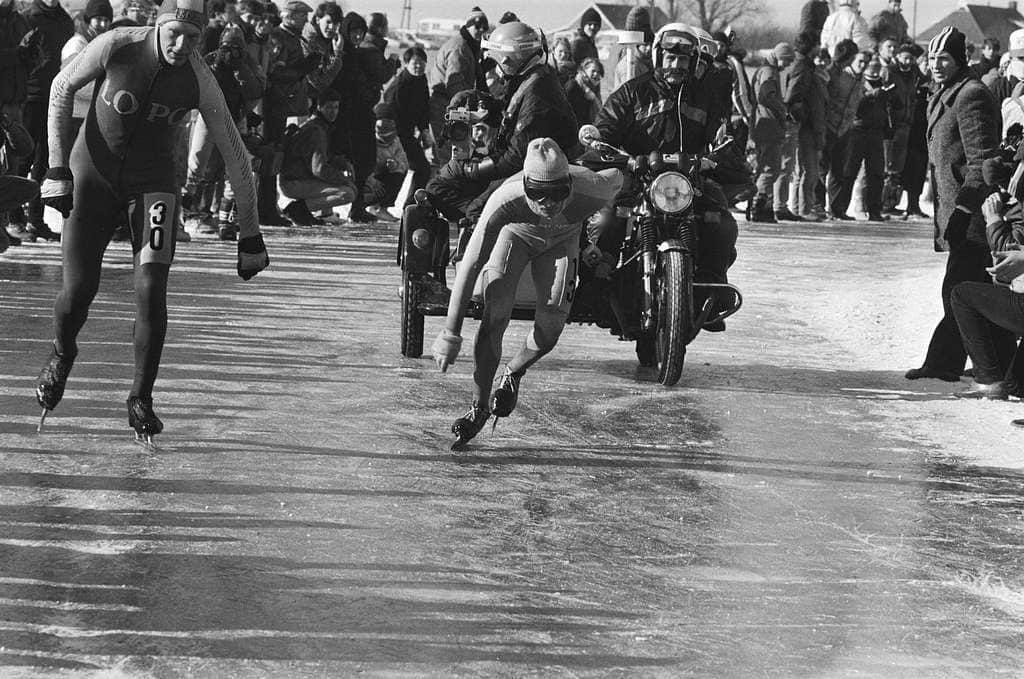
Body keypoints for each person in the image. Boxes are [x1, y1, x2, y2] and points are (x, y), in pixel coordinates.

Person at [35, 0, 270, 442]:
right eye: (174, 34)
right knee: (79, 290)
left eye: (193, 38)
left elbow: (235, 153)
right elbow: (61, 87)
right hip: (94, 177)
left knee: (150, 287)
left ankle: (141, 397)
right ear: (157, 25)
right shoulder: (117, 45)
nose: (182, 45)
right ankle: (63, 352)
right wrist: (56, 167)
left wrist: (250, 232)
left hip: (154, 183)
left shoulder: (200, 78)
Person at [431, 138, 622, 447]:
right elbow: (469, 266)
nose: (547, 204)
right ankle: (479, 407)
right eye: (538, 194)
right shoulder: (505, 199)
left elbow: (619, 176)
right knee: (494, 318)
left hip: (562, 240)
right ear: (525, 186)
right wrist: (450, 332)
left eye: (557, 194)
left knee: (550, 329)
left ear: (571, 185)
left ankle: (513, 372)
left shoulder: (594, 188)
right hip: (515, 235)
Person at [594, 23, 739, 306]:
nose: (676, 65)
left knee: (721, 223)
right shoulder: (632, 92)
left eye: (683, 59)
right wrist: (608, 149)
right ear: (659, 57)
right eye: (670, 58)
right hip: (637, 178)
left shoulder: (706, 97)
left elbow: (723, 136)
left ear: (693, 61)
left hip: (689, 182)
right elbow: (605, 129)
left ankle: (710, 289)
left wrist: (720, 155)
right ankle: (597, 282)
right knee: (606, 218)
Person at [906, 26, 1001, 383]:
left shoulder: (971, 94)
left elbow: (983, 161)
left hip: (973, 213)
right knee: (962, 287)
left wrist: (964, 210)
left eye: (943, 58)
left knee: (959, 288)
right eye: (931, 58)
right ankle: (961, 362)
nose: (935, 65)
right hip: (956, 209)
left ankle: (954, 363)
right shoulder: (946, 92)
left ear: (960, 59)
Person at [424, 20, 579, 228]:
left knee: (474, 208)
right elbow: (512, 115)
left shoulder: (538, 94)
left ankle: (485, 237)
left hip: (531, 176)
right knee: (438, 186)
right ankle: (489, 224)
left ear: (508, 59)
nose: (496, 68)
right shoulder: (533, 78)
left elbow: (517, 157)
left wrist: (472, 169)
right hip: (523, 170)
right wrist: (482, 101)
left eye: (497, 62)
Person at [15, 0, 74, 243]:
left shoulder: (65, 21)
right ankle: (14, 216)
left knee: (44, 160)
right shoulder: (29, 16)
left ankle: (36, 219)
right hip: (31, 95)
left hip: (56, 96)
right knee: (22, 157)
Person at [279, 87, 356, 224]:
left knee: (345, 188)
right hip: (294, 181)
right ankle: (298, 209)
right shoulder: (316, 130)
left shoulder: (319, 126)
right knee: (347, 193)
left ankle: (311, 211)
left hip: (298, 178)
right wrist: (344, 180)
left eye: (336, 107)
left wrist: (343, 163)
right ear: (320, 107)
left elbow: (324, 157)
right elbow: (319, 169)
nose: (333, 112)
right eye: (329, 107)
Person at [837, 57, 896, 222]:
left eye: (877, 66)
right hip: (858, 130)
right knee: (850, 171)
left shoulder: (883, 82)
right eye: (871, 66)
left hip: (876, 132)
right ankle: (840, 208)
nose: (874, 69)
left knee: (876, 173)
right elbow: (852, 104)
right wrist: (869, 96)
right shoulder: (859, 81)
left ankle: (875, 210)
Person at [428, 8, 489, 164]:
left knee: (454, 152)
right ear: (468, 26)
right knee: (449, 154)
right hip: (445, 104)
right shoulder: (460, 48)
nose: (481, 30)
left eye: (484, 27)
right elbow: (454, 82)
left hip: (449, 103)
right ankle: (444, 185)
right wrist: (465, 108)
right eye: (477, 26)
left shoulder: (468, 46)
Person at [382, 45, 434, 205]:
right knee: (412, 167)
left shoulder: (421, 80)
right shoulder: (400, 85)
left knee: (421, 168)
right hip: (396, 133)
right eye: (414, 63)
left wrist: (424, 130)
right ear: (406, 64)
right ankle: (383, 204)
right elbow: (388, 110)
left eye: (422, 62)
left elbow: (423, 109)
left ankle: (409, 204)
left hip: (408, 133)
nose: (418, 66)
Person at [749, 42, 794, 223]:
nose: (788, 65)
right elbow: (765, 95)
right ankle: (761, 206)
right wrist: (782, 109)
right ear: (777, 56)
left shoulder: (764, 70)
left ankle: (758, 203)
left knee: (764, 166)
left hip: (762, 124)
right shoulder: (769, 72)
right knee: (771, 167)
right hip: (769, 126)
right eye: (786, 60)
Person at [786, 32, 828, 220]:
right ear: (811, 47)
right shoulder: (802, 66)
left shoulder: (806, 66)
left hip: (810, 124)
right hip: (807, 126)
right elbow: (793, 96)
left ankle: (799, 207)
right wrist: (803, 116)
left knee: (805, 170)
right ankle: (804, 208)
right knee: (809, 170)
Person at [825, 48, 867, 220]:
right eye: (860, 61)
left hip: (846, 129)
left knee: (839, 171)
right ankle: (818, 206)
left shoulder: (861, 79)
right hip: (830, 126)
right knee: (822, 169)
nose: (863, 66)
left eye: (866, 62)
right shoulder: (842, 75)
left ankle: (837, 209)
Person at [881, 42, 920, 214]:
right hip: (892, 126)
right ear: (898, 57)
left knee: (898, 168)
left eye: (911, 58)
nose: (908, 61)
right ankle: (882, 203)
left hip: (905, 125)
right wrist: (889, 122)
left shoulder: (912, 75)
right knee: (887, 166)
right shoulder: (889, 71)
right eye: (905, 57)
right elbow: (886, 99)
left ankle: (891, 203)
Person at [363, 103, 407, 222]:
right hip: (365, 183)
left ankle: (381, 208)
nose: (385, 132)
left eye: (389, 127)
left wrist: (394, 165)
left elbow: (404, 164)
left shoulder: (396, 141)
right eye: (382, 127)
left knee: (399, 173)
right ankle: (363, 206)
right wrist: (370, 180)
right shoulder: (366, 140)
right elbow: (357, 165)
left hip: (380, 183)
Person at [613, 6, 653, 90]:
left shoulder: (646, 62)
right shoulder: (630, 66)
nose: (649, 48)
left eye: (651, 44)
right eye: (645, 44)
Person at [565, 56, 603, 126]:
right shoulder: (573, 86)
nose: (596, 74)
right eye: (593, 71)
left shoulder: (593, 88)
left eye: (598, 72)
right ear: (584, 70)